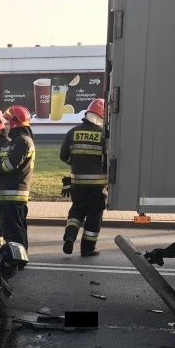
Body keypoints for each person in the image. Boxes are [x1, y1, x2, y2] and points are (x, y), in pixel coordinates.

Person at [60, 98, 108, 257]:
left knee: (77, 211)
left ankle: (70, 236)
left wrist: (77, 164)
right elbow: (109, 159)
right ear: (102, 116)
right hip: (98, 185)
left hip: (78, 183)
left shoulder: (72, 132)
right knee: (94, 214)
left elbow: (64, 156)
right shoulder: (104, 135)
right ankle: (88, 248)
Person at [0, 104, 34, 249]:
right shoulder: (17, 140)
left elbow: (11, 165)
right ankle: (18, 257)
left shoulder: (22, 141)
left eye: (7, 123)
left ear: (15, 123)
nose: (5, 126)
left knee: (14, 231)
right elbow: (9, 160)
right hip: (10, 194)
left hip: (14, 194)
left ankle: (18, 259)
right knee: (13, 229)